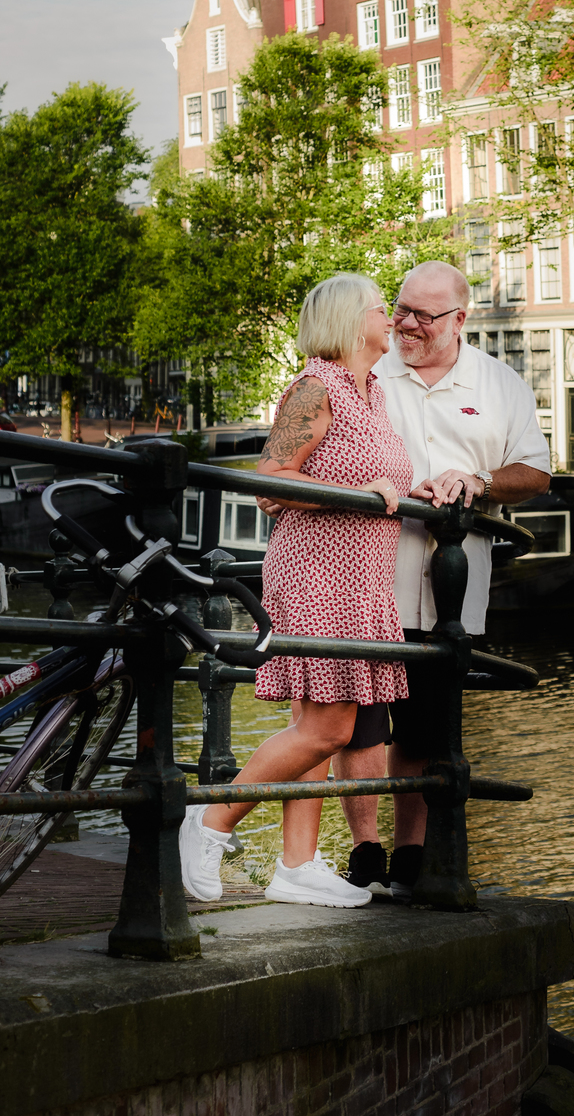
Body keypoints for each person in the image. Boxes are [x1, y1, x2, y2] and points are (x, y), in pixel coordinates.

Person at [284, 260, 551, 900]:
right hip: (370, 579)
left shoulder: (499, 381)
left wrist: (477, 482)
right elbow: (312, 459)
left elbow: (537, 473)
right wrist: (390, 491)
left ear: (459, 321)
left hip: (457, 589)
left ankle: (410, 855)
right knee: (358, 723)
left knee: (427, 731)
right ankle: (364, 850)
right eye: (399, 309)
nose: (405, 324)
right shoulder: (362, 377)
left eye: (423, 316)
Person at [178, 272, 411, 909]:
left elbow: (378, 475)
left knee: (313, 721)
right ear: (347, 321)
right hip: (319, 574)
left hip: (362, 578)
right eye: (376, 308)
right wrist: (362, 498)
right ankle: (210, 821)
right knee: (331, 728)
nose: (388, 317)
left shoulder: (373, 394)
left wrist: (423, 488)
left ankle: (297, 864)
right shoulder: (315, 388)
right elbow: (271, 481)